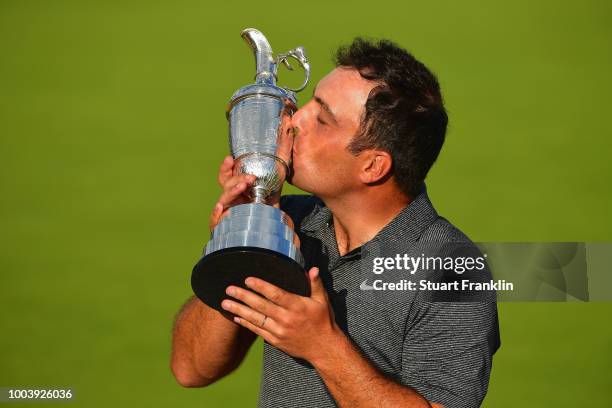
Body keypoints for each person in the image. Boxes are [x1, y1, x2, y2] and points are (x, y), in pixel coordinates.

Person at [171, 38, 500, 408]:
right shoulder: (291, 221)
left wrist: (321, 345)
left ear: (373, 166)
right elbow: (191, 369)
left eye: (322, 119)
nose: (293, 119)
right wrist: (238, 238)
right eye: (308, 102)